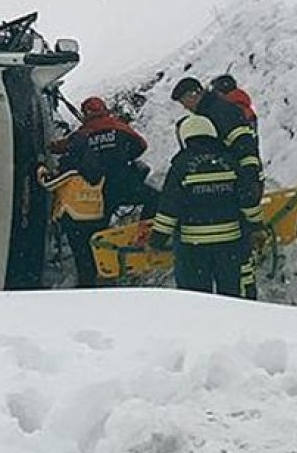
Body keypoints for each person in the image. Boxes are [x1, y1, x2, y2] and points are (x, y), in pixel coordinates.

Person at [171, 77, 265, 298]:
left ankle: (245, 297)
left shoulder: (219, 112)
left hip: (238, 184)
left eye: (185, 101)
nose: (186, 107)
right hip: (235, 183)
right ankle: (241, 294)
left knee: (239, 246)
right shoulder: (215, 110)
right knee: (235, 248)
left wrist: (246, 181)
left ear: (195, 94)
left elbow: (244, 147)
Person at [148, 115, 258, 297]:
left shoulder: (181, 165)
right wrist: (257, 226)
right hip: (229, 245)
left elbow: (169, 207)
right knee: (232, 297)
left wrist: (157, 240)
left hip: (193, 248)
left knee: (196, 300)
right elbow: (248, 200)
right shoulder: (230, 161)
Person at [51, 96, 156, 220]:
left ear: (86, 113)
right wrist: (126, 156)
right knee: (154, 198)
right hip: (124, 180)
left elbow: (63, 148)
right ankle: (143, 228)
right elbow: (141, 145)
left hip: (97, 188)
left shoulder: (83, 133)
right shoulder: (119, 127)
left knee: (100, 218)